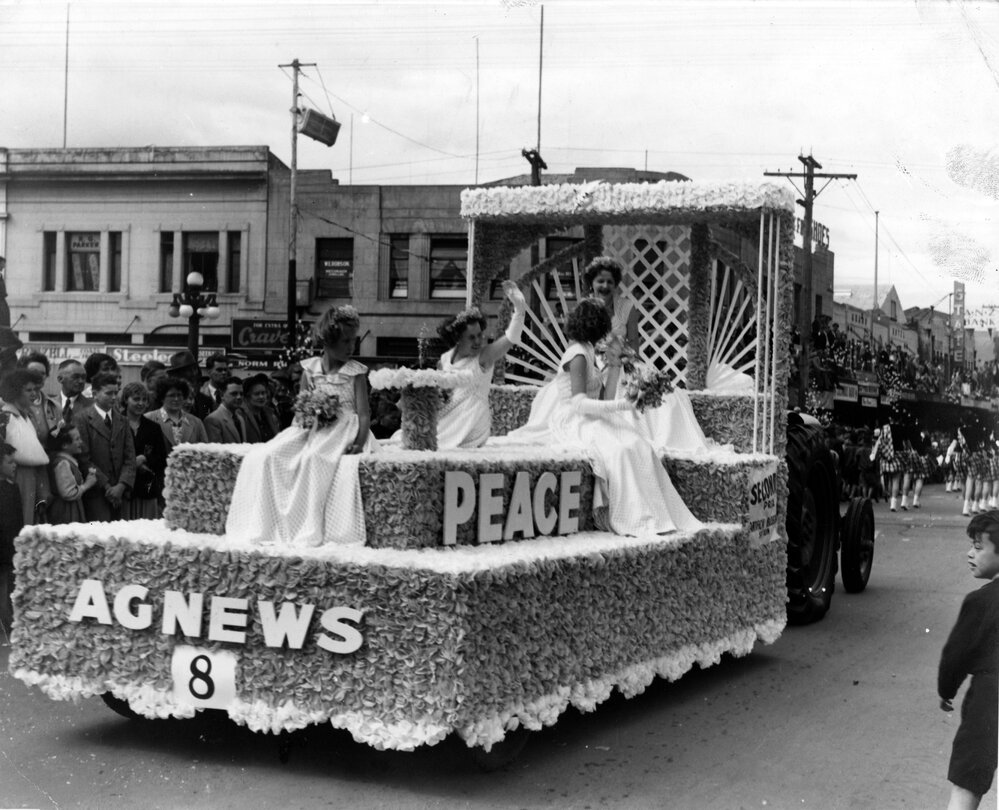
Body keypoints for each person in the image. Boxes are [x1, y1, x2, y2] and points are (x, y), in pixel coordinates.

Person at [512, 297, 700, 536]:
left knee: (639, 444)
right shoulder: (577, 354)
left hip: (592, 415)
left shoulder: (590, 351)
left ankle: (656, 517)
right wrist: (623, 405)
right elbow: (579, 404)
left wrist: (614, 366)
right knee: (618, 451)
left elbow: (604, 398)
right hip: (573, 418)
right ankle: (633, 518)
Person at [225, 304, 378, 547]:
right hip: (313, 427)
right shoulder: (310, 369)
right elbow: (301, 407)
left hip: (345, 430)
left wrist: (358, 443)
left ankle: (311, 527)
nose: (351, 347)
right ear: (328, 342)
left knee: (314, 460)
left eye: (353, 341)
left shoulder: (355, 373)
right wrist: (308, 418)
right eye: (345, 342)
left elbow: (363, 414)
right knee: (268, 455)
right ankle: (275, 522)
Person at [584, 256, 713, 453]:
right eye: (600, 281)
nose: (605, 286)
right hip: (595, 361)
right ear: (592, 283)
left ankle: (652, 440)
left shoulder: (626, 307)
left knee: (663, 395)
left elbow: (634, 342)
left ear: (616, 284)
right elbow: (580, 341)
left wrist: (626, 358)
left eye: (610, 282)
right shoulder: (585, 308)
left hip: (623, 359)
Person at [938, 510, 999, 810]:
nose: (970, 553)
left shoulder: (980, 601)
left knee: (966, 787)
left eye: (978, 546)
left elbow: (955, 656)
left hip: (987, 708)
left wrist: (946, 690)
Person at [431, 279, 526, 449]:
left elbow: (512, 337)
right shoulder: (445, 359)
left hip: (471, 420)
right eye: (471, 337)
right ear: (458, 339)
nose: (478, 341)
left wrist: (519, 308)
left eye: (479, 335)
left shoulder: (484, 356)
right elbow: (440, 391)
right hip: (448, 415)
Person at [76, 372, 136, 522]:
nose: (114, 397)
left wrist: (121, 486)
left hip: (121, 493)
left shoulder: (123, 420)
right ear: (95, 394)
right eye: (109, 393)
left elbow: (130, 457)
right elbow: (84, 459)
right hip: (97, 493)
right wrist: (107, 486)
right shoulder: (82, 419)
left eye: (116, 393)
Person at [0, 368, 51, 525]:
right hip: (15, 477)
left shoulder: (27, 417)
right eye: (28, 390)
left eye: (35, 389)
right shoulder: (5, 418)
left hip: (32, 477)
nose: (34, 394)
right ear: (15, 391)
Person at [119, 382, 167, 519]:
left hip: (146, 489)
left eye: (144, 400)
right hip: (123, 489)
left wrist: (145, 459)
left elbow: (162, 457)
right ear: (126, 400)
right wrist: (132, 462)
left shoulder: (153, 428)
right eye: (136, 399)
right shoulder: (115, 423)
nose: (141, 403)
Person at [46, 425, 98, 524]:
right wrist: (87, 485)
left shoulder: (68, 461)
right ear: (65, 445)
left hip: (71, 509)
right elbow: (68, 493)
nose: (81, 442)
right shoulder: (63, 464)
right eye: (77, 439)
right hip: (65, 512)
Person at [145, 376, 208, 452]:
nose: (176, 399)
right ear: (162, 397)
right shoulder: (149, 418)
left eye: (179, 395)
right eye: (172, 395)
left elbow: (205, 451)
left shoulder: (196, 422)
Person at [0, 442, 23, 639]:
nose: (14, 465)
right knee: (4, 594)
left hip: (10, 550)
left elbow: (17, 520)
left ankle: (11, 630)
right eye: (9, 462)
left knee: (8, 592)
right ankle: (10, 631)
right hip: (4, 550)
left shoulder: (13, 488)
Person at [166, 350, 213, 422]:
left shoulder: (205, 400)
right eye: (188, 370)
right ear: (178, 374)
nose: (193, 373)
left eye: (194, 368)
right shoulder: (166, 399)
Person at [204, 375, 247, 444]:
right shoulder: (213, 420)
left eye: (241, 394)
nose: (239, 397)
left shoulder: (240, 419)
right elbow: (216, 452)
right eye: (234, 394)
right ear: (222, 395)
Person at [240, 373, 281, 444]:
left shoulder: (271, 414)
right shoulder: (241, 416)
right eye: (257, 394)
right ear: (247, 396)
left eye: (263, 393)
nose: (261, 397)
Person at [51, 359, 92, 426]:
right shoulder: (48, 405)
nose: (81, 381)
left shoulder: (93, 407)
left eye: (84, 377)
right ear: (60, 379)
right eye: (75, 377)